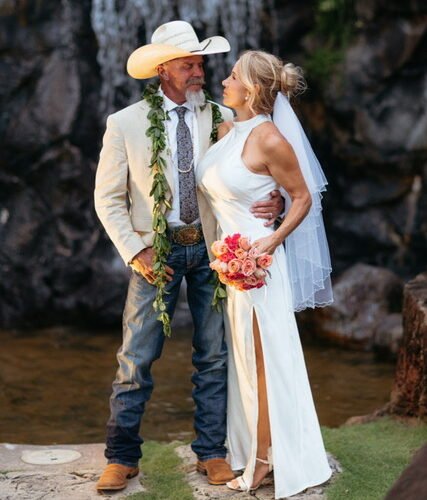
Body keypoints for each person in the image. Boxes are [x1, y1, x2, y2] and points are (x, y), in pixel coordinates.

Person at [94, 22, 283, 492]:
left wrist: (274, 195)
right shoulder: (125, 123)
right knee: (136, 358)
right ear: (163, 70)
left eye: (200, 64)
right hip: (152, 253)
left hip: (213, 250)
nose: (200, 72)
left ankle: (211, 452)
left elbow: (253, 169)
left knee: (214, 354)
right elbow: (107, 198)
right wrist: (135, 249)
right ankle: (121, 458)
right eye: (188, 65)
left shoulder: (222, 117)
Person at [197, 50, 334, 499]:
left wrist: (272, 240)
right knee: (243, 361)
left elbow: (302, 197)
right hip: (229, 261)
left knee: (263, 363)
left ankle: (263, 461)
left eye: (232, 76)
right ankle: (251, 447)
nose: (223, 81)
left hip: (258, 265)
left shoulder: (271, 138)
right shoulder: (226, 130)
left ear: (252, 89)